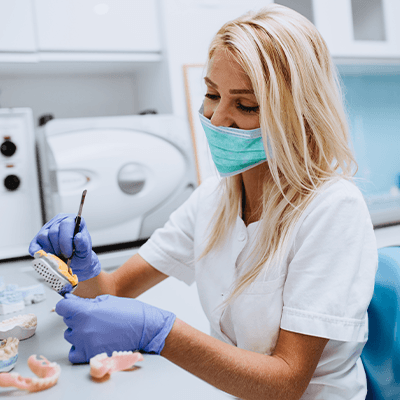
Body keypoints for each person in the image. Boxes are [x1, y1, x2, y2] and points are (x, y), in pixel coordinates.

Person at [29, 4, 378, 399]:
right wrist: (82, 266)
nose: (217, 117)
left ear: (298, 113)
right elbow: (110, 291)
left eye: (246, 105)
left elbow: (286, 382)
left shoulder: (332, 210)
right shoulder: (213, 199)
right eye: (212, 94)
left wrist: (161, 332)